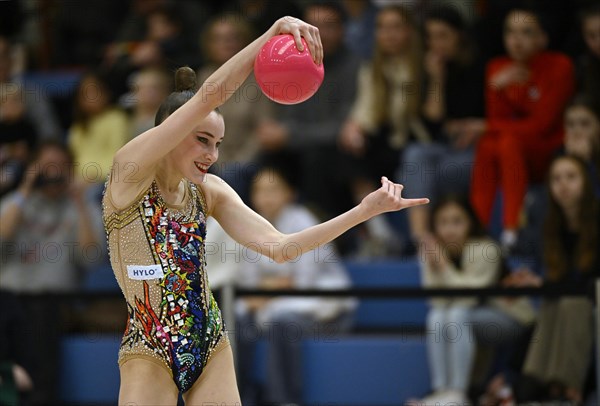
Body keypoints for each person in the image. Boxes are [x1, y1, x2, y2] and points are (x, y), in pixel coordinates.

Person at [102, 16, 429, 404]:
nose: (212, 155)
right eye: (202, 140)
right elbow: (209, 95)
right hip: (149, 348)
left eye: (219, 143)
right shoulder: (129, 174)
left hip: (209, 343)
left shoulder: (209, 192)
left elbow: (281, 247)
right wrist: (270, 35)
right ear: (171, 130)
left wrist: (363, 211)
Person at [235, 166, 356, 405]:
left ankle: (284, 399)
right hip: (272, 302)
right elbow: (247, 282)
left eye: (273, 190)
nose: (266, 197)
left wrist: (267, 289)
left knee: (282, 321)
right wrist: (270, 289)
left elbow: (303, 282)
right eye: (259, 190)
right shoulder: (247, 225)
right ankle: (240, 396)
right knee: (236, 319)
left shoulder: (303, 221)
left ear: (289, 193)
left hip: (326, 306)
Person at [470, 8, 575, 251]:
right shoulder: (497, 67)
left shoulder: (559, 66)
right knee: (487, 143)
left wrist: (486, 124)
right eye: (510, 32)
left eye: (526, 33)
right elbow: (498, 123)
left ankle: (510, 229)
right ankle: (478, 228)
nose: (516, 40)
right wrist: (497, 89)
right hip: (514, 150)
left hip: (548, 149)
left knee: (505, 140)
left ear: (542, 39)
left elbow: (542, 125)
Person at [255, 1, 361, 219]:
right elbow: (282, 112)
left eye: (328, 26)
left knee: (317, 159)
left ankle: (328, 230)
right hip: (294, 146)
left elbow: (342, 127)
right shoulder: (292, 58)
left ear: (343, 29)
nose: (318, 34)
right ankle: (264, 228)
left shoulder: (354, 67)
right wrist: (273, 129)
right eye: (312, 26)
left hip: (333, 151)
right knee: (264, 159)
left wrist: (289, 134)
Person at [514, 154, 599, 404]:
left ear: (586, 181)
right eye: (556, 179)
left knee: (571, 302)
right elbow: (559, 278)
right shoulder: (551, 225)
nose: (563, 185)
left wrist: (543, 285)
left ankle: (567, 388)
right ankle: (536, 383)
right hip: (569, 302)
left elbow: (589, 282)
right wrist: (539, 284)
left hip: (592, 299)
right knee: (554, 303)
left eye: (571, 177)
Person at [398, 5, 485, 245]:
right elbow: (433, 121)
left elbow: (495, 116)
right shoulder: (428, 67)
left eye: (443, 36)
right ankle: (421, 239)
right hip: (444, 147)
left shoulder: (481, 66)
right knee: (414, 154)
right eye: (431, 37)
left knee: (425, 173)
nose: (437, 44)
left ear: (460, 35)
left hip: (477, 148)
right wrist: (436, 78)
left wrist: (479, 126)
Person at [414, 195, 503, 405]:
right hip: (460, 314)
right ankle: (441, 390)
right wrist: (433, 264)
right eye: (443, 222)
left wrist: (443, 267)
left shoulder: (486, 249)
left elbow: (470, 297)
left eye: (457, 221)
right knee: (436, 317)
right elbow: (435, 300)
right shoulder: (433, 251)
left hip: (504, 314)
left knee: (456, 314)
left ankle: (458, 391)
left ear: (470, 221)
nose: (450, 229)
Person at [197, 13, 274, 201]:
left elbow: (263, 132)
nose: (226, 43)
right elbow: (198, 125)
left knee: (230, 178)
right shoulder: (204, 77)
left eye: (233, 38)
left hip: (248, 160)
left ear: (245, 41)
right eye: (219, 39)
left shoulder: (258, 77)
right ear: (209, 44)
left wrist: (236, 163)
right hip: (211, 158)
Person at [68, 71, 130, 189]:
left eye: (94, 92)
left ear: (106, 93)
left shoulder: (116, 119)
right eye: (85, 94)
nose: (91, 98)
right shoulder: (78, 127)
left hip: (107, 180)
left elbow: (118, 155)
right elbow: (73, 158)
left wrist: (92, 176)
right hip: (79, 181)